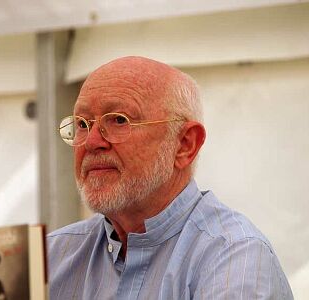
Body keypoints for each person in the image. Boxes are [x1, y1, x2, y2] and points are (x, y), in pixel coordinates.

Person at [48, 56, 293, 299]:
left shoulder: (234, 256)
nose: (91, 142)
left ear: (185, 144)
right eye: (82, 124)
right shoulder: (52, 256)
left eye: (119, 120)